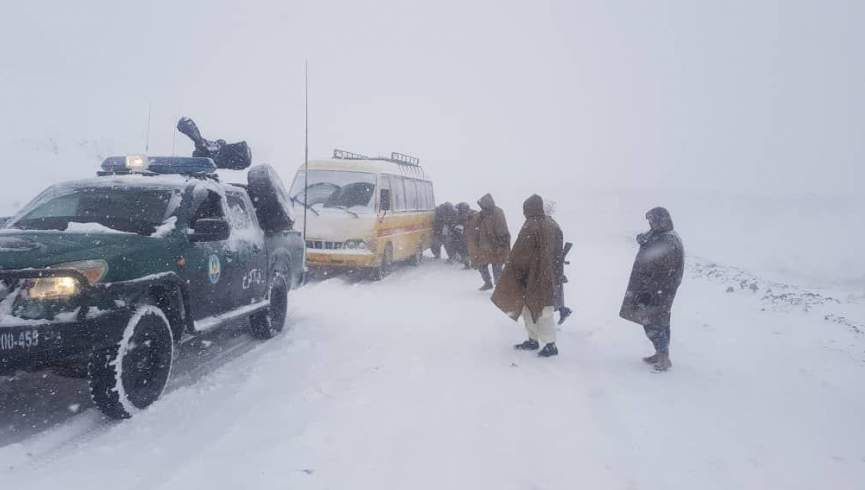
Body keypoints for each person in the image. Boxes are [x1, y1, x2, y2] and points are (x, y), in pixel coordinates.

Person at [492, 194, 564, 358]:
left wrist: (513, 271)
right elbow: (558, 252)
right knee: (540, 309)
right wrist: (555, 273)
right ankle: (535, 340)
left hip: (531, 276)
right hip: (546, 275)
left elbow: (519, 254)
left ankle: (549, 345)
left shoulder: (530, 226)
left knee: (535, 309)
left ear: (529, 209)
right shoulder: (552, 224)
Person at [619, 207, 685, 372]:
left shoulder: (668, 241)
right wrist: (643, 239)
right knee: (659, 321)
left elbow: (664, 272)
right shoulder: (660, 235)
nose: (650, 223)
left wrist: (649, 293)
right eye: (649, 221)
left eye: (653, 221)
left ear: (661, 221)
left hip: (657, 291)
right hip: (651, 288)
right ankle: (661, 352)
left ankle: (663, 358)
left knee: (653, 323)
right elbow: (650, 248)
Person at [475, 193, 510, 291]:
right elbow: (477, 227)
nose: (482, 207)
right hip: (485, 245)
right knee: (481, 264)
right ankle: (488, 283)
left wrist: (501, 245)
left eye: (483, 205)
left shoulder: (498, 212)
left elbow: (502, 229)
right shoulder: (482, 214)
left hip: (498, 244)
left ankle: (499, 288)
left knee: (497, 267)